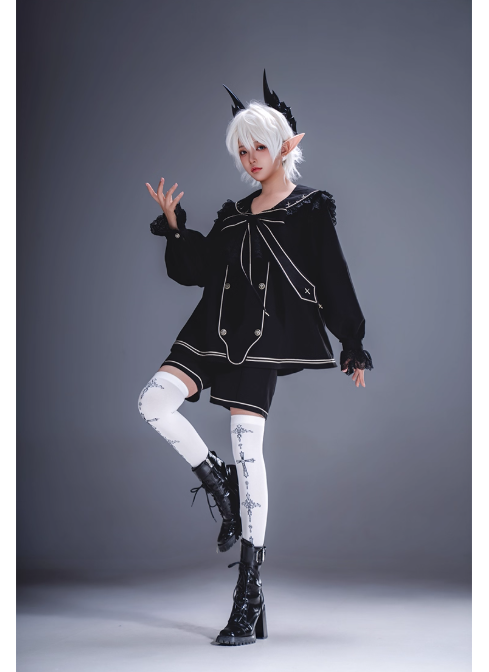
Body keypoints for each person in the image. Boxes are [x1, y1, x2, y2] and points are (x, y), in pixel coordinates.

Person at [138, 70, 373, 646]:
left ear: (285, 145)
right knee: (153, 403)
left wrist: (352, 340)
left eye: (258, 148)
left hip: (261, 343)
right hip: (210, 329)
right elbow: (199, 271)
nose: (249, 160)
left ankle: (249, 593)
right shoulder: (233, 213)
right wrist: (175, 228)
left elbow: (333, 277)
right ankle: (216, 481)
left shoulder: (310, 208)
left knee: (249, 453)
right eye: (241, 151)